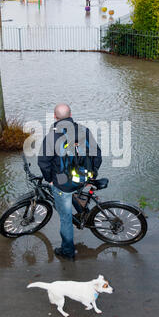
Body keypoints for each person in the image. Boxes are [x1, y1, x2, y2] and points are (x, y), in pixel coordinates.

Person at [38, 103, 102, 260]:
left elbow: (43, 163)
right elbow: (97, 155)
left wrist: (49, 180)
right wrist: (90, 176)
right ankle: (82, 211)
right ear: (71, 114)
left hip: (63, 183)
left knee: (65, 219)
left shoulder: (52, 137)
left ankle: (67, 251)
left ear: (55, 117)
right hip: (83, 177)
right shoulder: (84, 131)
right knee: (75, 191)